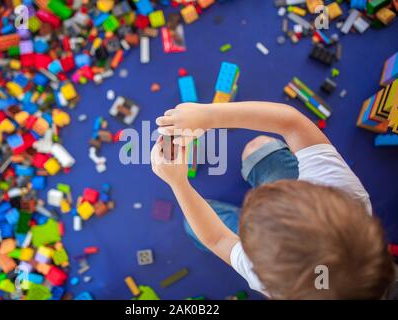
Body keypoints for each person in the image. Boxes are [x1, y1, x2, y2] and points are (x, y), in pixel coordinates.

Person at [151, 101, 396, 299]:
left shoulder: (270, 278)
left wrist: (179, 184)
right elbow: (292, 123)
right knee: (259, 147)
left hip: (276, 252)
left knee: (190, 224)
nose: (252, 199)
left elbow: (217, 238)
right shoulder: (346, 193)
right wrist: (209, 115)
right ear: (322, 191)